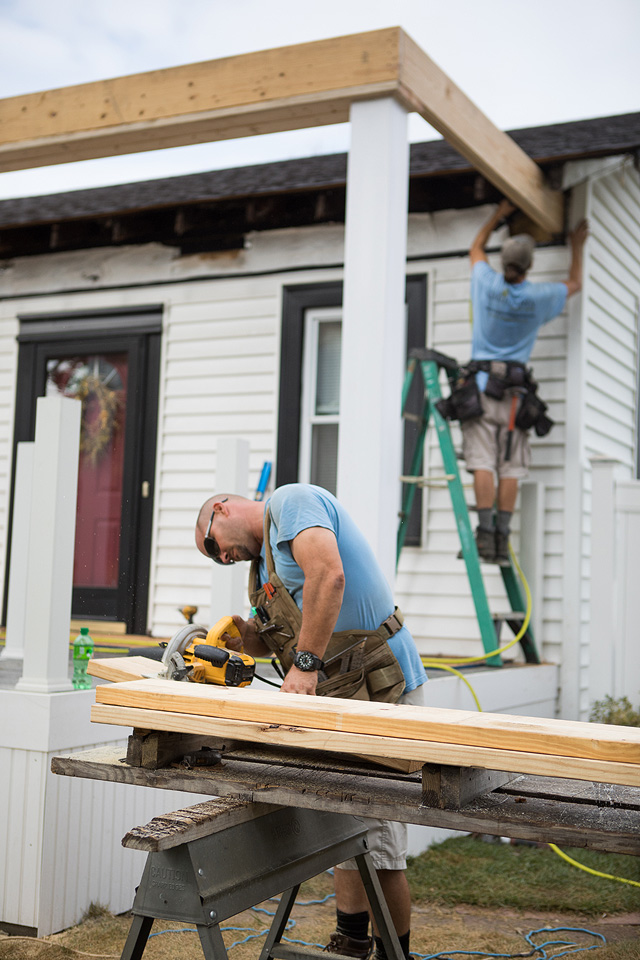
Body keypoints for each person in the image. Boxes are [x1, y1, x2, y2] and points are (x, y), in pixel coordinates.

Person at [195, 483, 428, 960]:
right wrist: (245, 639)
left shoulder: (291, 503)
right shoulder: (263, 566)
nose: (224, 559)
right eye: (218, 560)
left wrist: (304, 665)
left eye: (215, 547)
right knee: (345, 821)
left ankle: (394, 956)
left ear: (221, 510)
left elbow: (329, 577)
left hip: (382, 687)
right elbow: (277, 631)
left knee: (381, 842)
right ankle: (352, 940)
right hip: (342, 696)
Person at [462, 199, 588, 563]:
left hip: (483, 387)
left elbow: (474, 248)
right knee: (511, 466)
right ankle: (503, 539)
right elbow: (575, 282)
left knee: (483, 461)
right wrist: (575, 246)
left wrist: (498, 216)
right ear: (529, 267)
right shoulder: (536, 297)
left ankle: (486, 538)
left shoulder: (485, 283)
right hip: (516, 394)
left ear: (504, 263)